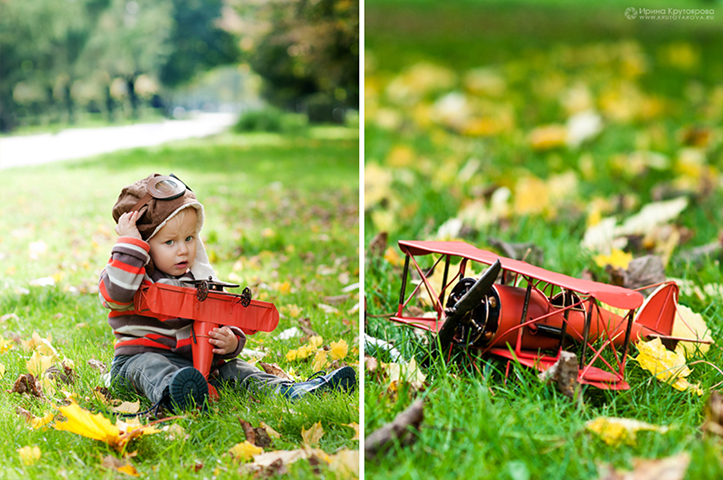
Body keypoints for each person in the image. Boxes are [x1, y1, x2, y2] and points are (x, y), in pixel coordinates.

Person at [99, 173, 355, 412]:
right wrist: (130, 245)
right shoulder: (131, 272)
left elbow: (220, 314)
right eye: (170, 242)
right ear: (144, 242)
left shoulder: (200, 279)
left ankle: (292, 391)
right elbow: (115, 294)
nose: (183, 250)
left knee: (238, 370)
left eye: (189, 239)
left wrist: (231, 341)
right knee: (151, 368)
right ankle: (175, 394)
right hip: (137, 360)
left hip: (196, 363)